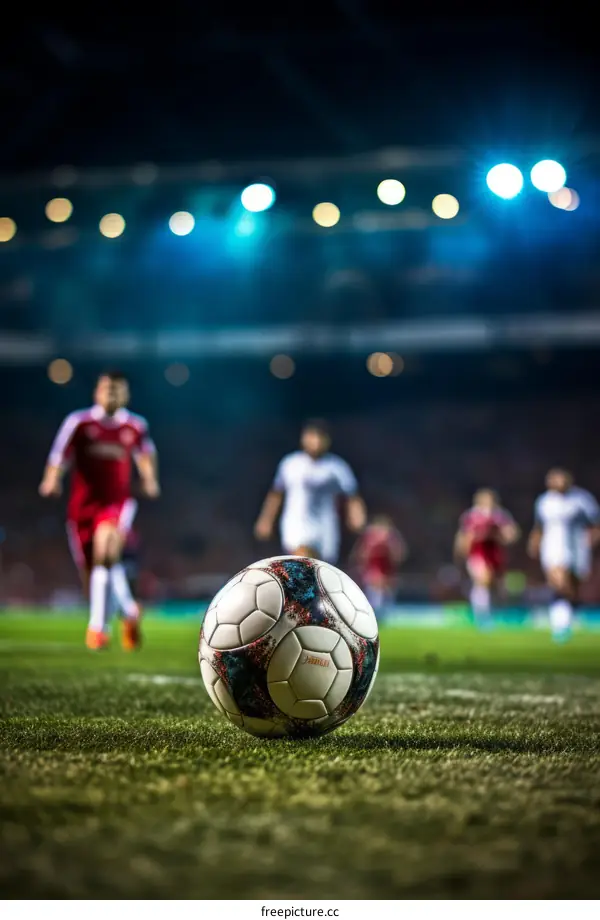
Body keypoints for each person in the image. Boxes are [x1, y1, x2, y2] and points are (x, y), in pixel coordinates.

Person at [39, 370, 160, 650]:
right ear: (97, 392)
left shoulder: (135, 426)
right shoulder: (79, 423)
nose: (112, 394)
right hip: (82, 509)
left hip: (117, 504)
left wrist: (150, 479)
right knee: (94, 569)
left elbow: (145, 454)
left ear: (126, 395)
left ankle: (98, 629)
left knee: (106, 554)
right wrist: (51, 479)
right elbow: (59, 455)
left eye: (118, 390)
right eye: (107, 389)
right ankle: (130, 612)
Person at [254, 419, 366, 563]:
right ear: (304, 438)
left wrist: (357, 515)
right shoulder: (290, 463)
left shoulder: (336, 467)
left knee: (322, 567)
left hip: (325, 525)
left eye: (320, 437)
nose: (316, 442)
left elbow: (352, 495)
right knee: (300, 561)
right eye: (312, 436)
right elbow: (276, 494)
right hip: (296, 523)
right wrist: (266, 520)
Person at [528, 468, 600, 640]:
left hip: (578, 548)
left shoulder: (582, 500)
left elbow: (596, 524)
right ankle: (560, 625)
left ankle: (565, 618)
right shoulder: (544, 501)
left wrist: (593, 540)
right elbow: (539, 526)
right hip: (553, 547)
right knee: (559, 583)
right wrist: (534, 542)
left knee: (572, 588)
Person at [454, 488, 519, 624]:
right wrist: (462, 550)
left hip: (495, 553)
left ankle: (490, 613)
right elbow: (464, 536)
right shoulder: (472, 515)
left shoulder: (500, 515)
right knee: (483, 579)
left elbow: (512, 533)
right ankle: (481, 616)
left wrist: (502, 536)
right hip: (477, 553)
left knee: (495, 585)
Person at [351, 515, 406, 616]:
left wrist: (388, 546)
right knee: (373, 607)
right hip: (372, 578)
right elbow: (360, 556)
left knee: (387, 610)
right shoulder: (369, 538)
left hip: (387, 578)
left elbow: (398, 557)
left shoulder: (392, 538)